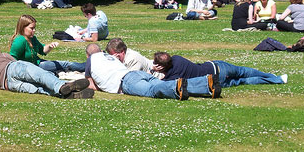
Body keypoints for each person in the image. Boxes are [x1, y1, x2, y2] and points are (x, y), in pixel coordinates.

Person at [85, 44, 221, 100]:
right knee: (158, 85)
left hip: (125, 82)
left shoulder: (91, 60)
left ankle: (176, 87)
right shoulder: (108, 57)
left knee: (152, 91)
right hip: (137, 74)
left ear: (88, 56)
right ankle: (206, 83)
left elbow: (91, 84)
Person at [0, 46, 93, 99]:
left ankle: (67, 94)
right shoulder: (2, 57)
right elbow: (16, 64)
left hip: (8, 85)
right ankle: (61, 86)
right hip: (11, 68)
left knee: (39, 89)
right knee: (41, 76)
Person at [152, 52, 287, 87]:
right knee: (244, 71)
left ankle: (275, 80)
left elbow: (161, 84)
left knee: (243, 81)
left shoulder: (172, 78)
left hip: (216, 80)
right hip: (216, 66)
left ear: (161, 67)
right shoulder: (177, 58)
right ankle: (275, 77)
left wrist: (156, 72)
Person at [9, 14, 85, 73]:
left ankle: (85, 66)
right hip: (30, 69)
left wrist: (50, 46)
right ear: (23, 27)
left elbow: (42, 50)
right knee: (64, 64)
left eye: (35, 28)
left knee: (60, 65)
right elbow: (12, 60)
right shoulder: (19, 41)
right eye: (31, 28)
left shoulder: (32, 38)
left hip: (37, 64)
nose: (34, 30)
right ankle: (86, 66)